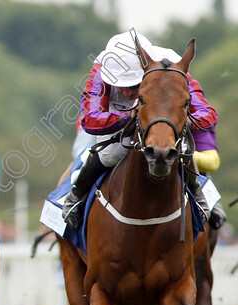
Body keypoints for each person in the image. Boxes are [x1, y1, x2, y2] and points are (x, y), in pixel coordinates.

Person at [61, 31, 221, 230]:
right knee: (111, 153)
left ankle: (200, 195)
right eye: (120, 85)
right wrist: (128, 116)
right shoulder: (101, 70)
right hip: (118, 120)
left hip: (162, 123)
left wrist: (180, 119)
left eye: (134, 85)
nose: (127, 92)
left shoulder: (174, 67)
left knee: (182, 147)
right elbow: (90, 120)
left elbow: (208, 116)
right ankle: (75, 197)